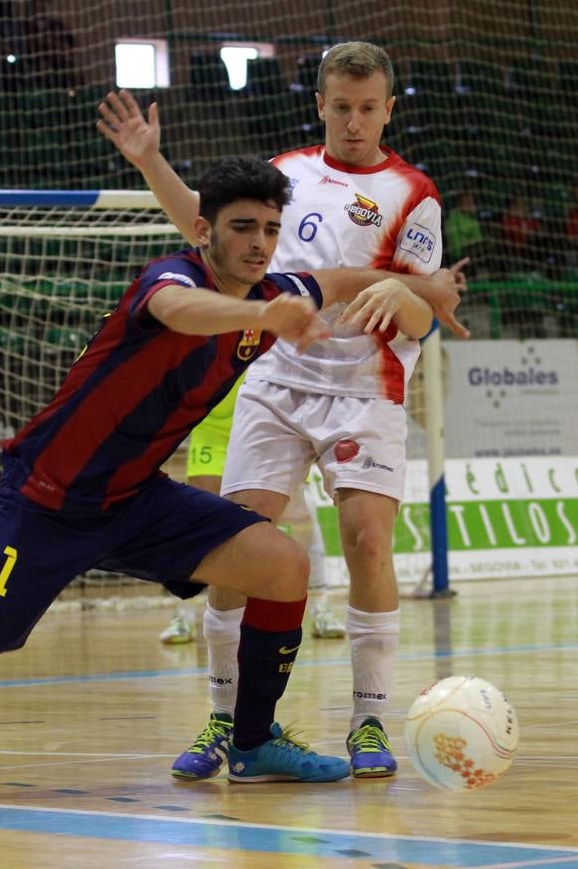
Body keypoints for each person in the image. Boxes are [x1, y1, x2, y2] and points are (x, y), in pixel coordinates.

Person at [0, 156, 451, 802]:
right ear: (205, 229)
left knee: (282, 564)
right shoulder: (174, 280)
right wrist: (261, 315)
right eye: (242, 227)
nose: (259, 243)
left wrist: (424, 287)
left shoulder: (279, 290)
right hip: (41, 506)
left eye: (270, 230)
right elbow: (180, 314)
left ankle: (251, 740)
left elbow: (345, 282)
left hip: (134, 501)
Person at [97, 40, 469, 781]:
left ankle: (367, 722)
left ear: (389, 109)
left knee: (367, 538)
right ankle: (224, 717)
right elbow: (207, 235)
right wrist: (148, 161)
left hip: (368, 388)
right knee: (239, 543)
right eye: (341, 107)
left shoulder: (413, 193)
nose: (354, 121)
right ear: (320, 105)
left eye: (368, 109)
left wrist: (408, 297)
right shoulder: (288, 175)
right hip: (275, 377)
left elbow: (430, 319)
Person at [159, 383, 345, 646]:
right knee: (197, 525)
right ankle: (183, 614)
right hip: (214, 430)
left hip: (264, 426)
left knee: (301, 518)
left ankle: (319, 606)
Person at [444, 190, 484, 264]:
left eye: (471, 201)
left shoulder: (472, 218)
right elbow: (454, 242)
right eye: (467, 201)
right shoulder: (453, 218)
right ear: (460, 203)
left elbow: (478, 238)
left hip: (475, 254)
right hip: (459, 257)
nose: (470, 204)